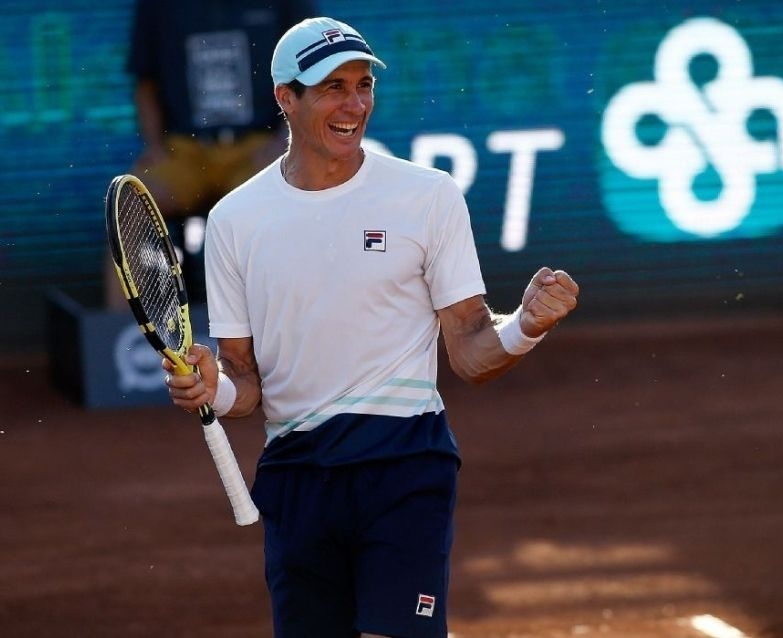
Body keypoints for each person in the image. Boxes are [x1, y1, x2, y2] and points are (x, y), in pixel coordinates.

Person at [163, 16, 580, 638]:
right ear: (285, 98)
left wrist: (527, 325)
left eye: (364, 85)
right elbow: (245, 383)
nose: (354, 105)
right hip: (298, 474)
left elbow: (470, 349)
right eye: (333, 87)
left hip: (405, 463)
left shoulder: (429, 196)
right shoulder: (234, 221)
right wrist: (211, 388)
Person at [105, 0, 315, 309]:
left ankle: (293, 321)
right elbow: (145, 80)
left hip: (257, 149)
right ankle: (124, 334)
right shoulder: (157, 6)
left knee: (291, 198)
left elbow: (311, 74)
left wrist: (285, 139)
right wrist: (155, 146)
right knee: (128, 203)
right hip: (185, 152)